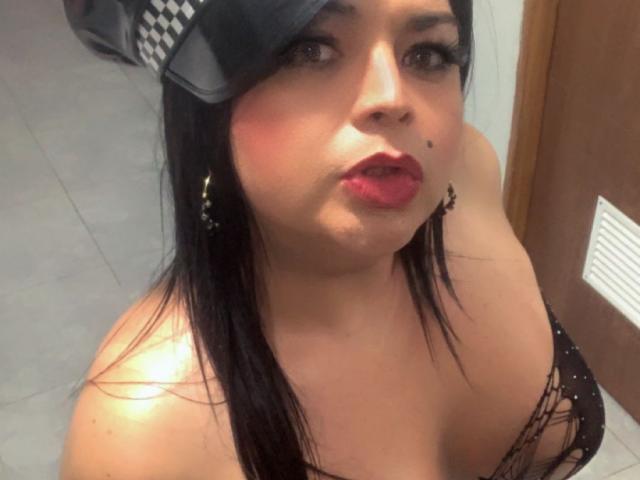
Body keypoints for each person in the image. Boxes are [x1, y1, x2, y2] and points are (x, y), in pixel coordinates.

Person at [59, 1, 605, 479]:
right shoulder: (142, 436)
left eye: (427, 54)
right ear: (203, 112)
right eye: (308, 50)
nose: (392, 97)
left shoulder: (471, 170)